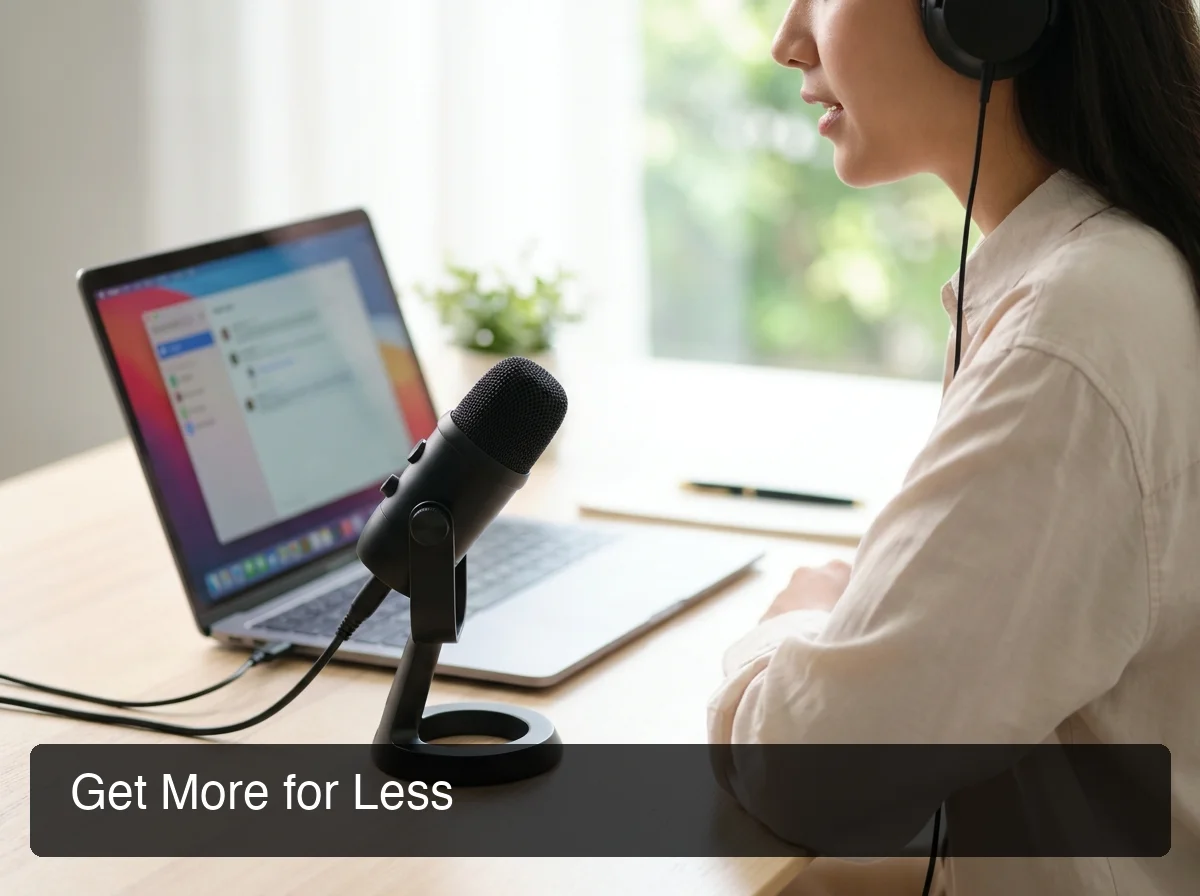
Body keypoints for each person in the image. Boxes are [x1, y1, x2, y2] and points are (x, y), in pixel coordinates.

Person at [708, 2, 1200, 895]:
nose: (788, 40)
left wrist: (788, 627)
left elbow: (815, 778)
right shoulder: (1120, 272)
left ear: (983, 12)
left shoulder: (1077, 331)